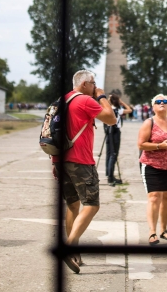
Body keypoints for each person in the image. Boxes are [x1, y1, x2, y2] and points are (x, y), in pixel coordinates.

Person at [51, 70, 116, 274]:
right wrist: (102, 96)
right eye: (93, 83)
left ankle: (74, 253)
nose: (95, 86)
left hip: (61, 160)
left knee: (72, 205)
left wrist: (55, 160)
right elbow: (111, 119)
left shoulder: (62, 100)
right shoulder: (85, 100)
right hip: (80, 160)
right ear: (84, 84)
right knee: (92, 205)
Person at [138, 94, 167, 245]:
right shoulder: (149, 122)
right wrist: (159, 146)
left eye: (164, 101)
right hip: (152, 165)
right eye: (158, 102)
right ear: (153, 107)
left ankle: (164, 230)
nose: (162, 103)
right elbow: (141, 144)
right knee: (154, 196)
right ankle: (152, 232)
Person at [105, 93, 133, 186]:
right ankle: (110, 178)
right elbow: (129, 110)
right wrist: (122, 102)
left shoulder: (108, 109)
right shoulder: (118, 110)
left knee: (109, 153)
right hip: (115, 132)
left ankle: (109, 174)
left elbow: (105, 105)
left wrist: (109, 100)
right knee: (113, 154)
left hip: (108, 132)